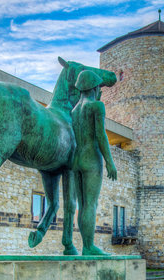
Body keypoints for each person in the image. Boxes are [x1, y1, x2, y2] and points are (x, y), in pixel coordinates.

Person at [71, 70, 117, 255]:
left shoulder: (74, 110)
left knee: (82, 206)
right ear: (95, 87)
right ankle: (88, 247)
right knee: (91, 204)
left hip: (76, 160)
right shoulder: (96, 106)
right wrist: (110, 162)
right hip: (91, 159)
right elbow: (100, 135)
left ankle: (86, 245)